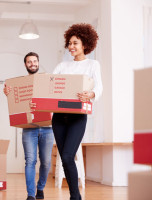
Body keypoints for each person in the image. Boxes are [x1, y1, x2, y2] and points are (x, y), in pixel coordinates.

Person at [33, 23, 103, 200]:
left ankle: (75, 196)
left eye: (75, 43)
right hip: (59, 118)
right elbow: (49, 84)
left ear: (85, 44)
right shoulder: (62, 66)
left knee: (67, 154)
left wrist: (91, 93)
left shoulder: (93, 64)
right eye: (70, 43)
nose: (71, 47)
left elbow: (99, 86)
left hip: (77, 118)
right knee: (65, 159)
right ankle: (75, 196)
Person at [4, 52, 54, 200]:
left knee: (45, 161)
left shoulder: (47, 80)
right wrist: (7, 93)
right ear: (25, 65)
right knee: (30, 160)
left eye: (35, 61)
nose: (32, 64)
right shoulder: (20, 84)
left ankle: (40, 188)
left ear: (38, 62)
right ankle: (31, 194)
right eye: (29, 62)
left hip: (47, 127)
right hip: (29, 128)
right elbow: (14, 100)